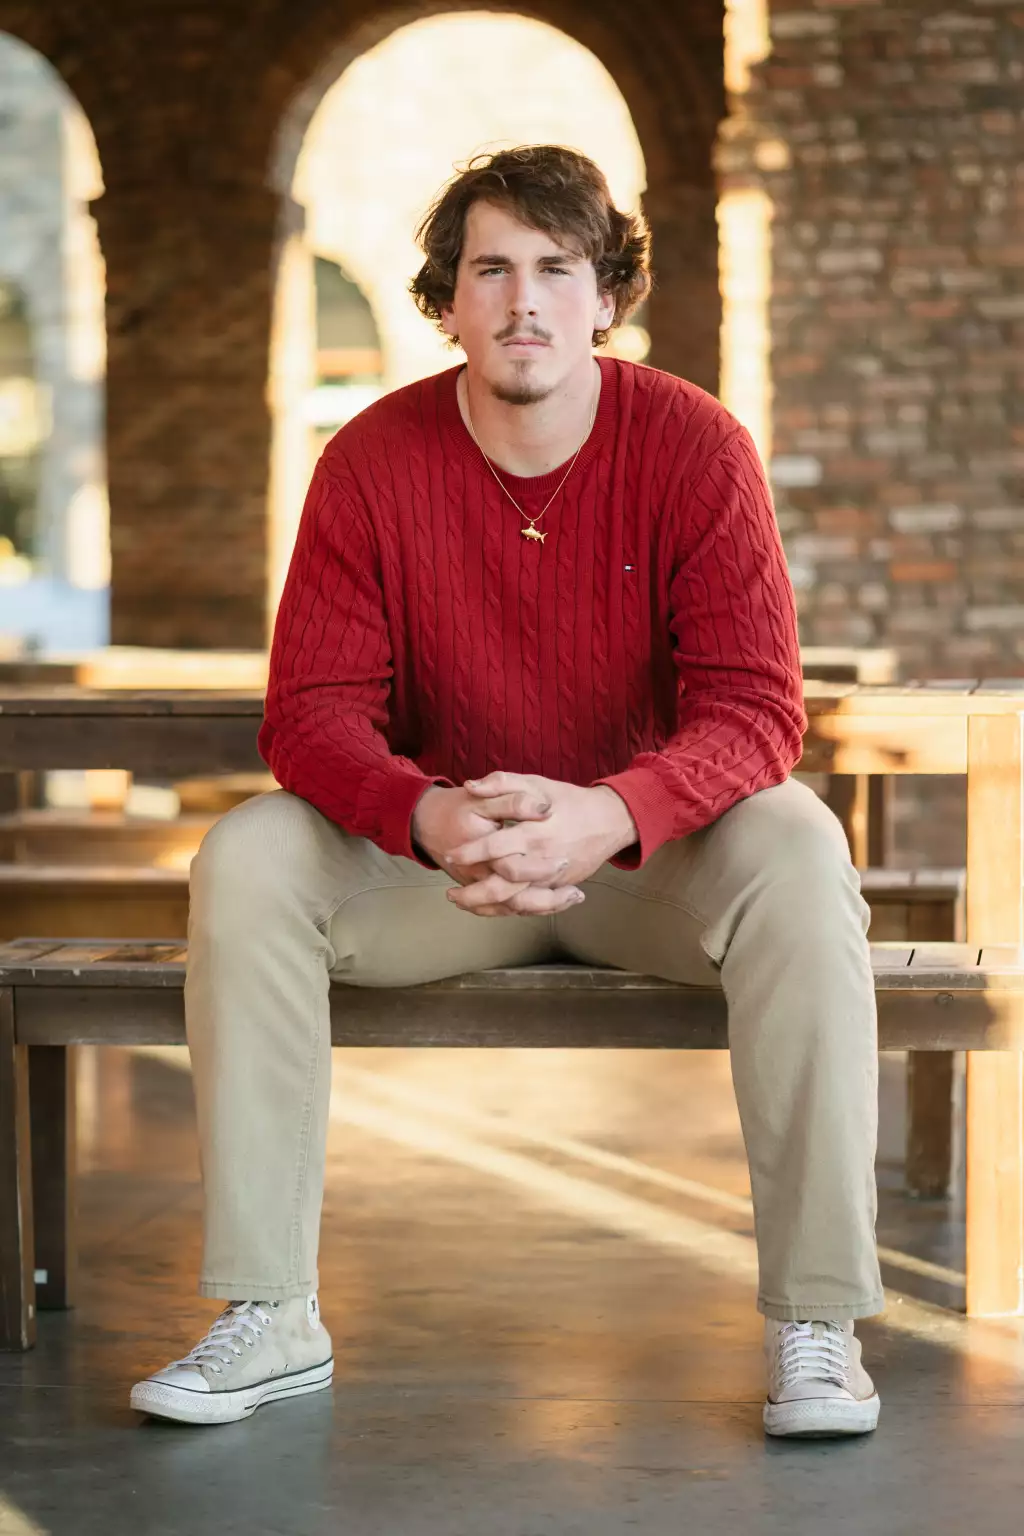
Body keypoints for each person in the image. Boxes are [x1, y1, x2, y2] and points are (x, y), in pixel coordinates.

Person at [130, 145, 883, 1435]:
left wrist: (614, 809)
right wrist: (423, 814)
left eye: (555, 267)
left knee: (801, 848)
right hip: (442, 874)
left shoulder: (698, 449)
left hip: (649, 875)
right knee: (250, 854)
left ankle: (817, 1323)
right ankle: (270, 1312)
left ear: (607, 298)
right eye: (491, 269)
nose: (523, 300)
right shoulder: (369, 462)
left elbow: (758, 710)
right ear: (446, 301)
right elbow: (309, 716)